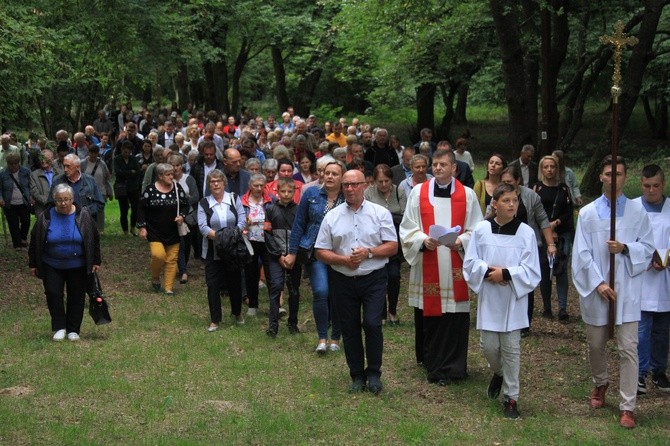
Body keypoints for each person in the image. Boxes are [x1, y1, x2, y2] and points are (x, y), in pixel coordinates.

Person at [571, 155, 654, 429]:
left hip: (627, 290)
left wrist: (626, 248)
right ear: (601, 177)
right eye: (608, 174)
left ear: (625, 177)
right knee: (596, 344)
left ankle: (627, 405)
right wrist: (599, 283)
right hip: (598, 289)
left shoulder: (637, 212)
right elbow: (581, 254)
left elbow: (648, 246)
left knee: (628, 348)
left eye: (618, 174)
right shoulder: (588, 213)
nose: (613, 178)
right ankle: (600, 381)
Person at [399, 149, 483, 385]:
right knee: (433, 317)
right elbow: (407, 227)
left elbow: (477, 229)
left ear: (454, 168)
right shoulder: (418, 192)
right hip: (429, 262)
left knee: (454, 317)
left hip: (455, 261)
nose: (437, 168)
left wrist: (461, 241)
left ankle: (455, 367)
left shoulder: (467, 195)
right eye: (434, 164)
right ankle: (433, 365)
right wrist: (422, 240)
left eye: (443, 164)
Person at [315, 169, 398, 394]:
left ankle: (374, 373)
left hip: (374, 278)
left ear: (365, 185)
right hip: (342, 278)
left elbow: (392, 245)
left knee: (372, 323)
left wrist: (368, 253)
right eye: (346, 185)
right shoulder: (332, 216)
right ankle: (356, 375)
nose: (350, 189)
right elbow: (320, 251)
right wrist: (343, 259)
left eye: (355, 184)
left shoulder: (380, 213)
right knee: (349, 328)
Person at [463, 183, 540, 418]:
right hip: (490, 296)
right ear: (494, 204)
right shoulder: (482, 230)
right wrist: (489, 272)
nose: (512, 204)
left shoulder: (526, 232)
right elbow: (470, 263)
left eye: (515, 200)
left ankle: (511, 399)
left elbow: (532, 270)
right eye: (506, 200)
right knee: (489, 348)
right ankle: (498, 373)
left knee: (511, 350)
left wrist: (506, 274)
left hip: (513, 300)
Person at [285, 159, 346, 354]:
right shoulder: (311, 194)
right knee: (320, 291)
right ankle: (322, 338)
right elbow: (299, 224)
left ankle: (336, 337)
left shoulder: (348, 197)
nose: (329, 176)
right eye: (327, 173)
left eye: (334, 174)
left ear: (342, 178)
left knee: (338, 294)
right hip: (314, 251)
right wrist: (292, 252)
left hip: (340, 253)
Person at [28, 184, 101, 341]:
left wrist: (96, 260)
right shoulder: (45, 216)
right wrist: (33, 263)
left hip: (78, 264)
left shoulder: (84, 215)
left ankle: (73, 329)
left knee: (77, 295)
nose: (63, 203)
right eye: (59, 200)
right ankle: (59, 327)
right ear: (54, 200)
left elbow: (93, 238)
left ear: (72, 199)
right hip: (52, 263)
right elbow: (35, 240)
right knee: (53, 294)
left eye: (66, 199)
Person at [500, 167, 556, 334]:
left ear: (517, 181)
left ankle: (524, 324)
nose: (505, 185)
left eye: (509, 182)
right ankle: (504, 318)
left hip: (527, 245)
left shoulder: (531, 196)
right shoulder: (499, 195)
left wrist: (550, 244)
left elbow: (543, 221)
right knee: (505, 279)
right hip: (505, 244)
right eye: (503, 182)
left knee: (525, 282)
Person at [633, 164, 670, 394]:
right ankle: (639, 373)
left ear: (663, 184)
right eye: (647, 186)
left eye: (656, 186)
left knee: (662, 329)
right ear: (641, 185)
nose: (651, 190)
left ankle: (659, 371)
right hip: (642, 277)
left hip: (665, 277)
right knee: (642, 328)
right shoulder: (634, 208)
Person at [197, 170, 247, 331]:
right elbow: (203, 227)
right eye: (212, 181)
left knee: (235, 283)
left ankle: (237, 312)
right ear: (208, 184)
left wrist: (230, 236)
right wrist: (221, 237)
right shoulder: (203, 203)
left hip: (233, 250)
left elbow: (242, 220)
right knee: (213, 285)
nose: (216, 184)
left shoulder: (234, 198)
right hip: (213, 250)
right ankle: (215, 319)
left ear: (224, 182)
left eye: (219, 181)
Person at [137, 163, 189, 295]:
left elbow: (185, 205)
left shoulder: (177, 188)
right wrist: (142, 227)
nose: (171, 177)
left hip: (173, 230)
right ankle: (155, 276)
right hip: (154, 230)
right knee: (158, 255)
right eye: (168, 174)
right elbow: (141, 209)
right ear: (160, 176)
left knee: (172, 259)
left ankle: (168, 288)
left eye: (172, 174)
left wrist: (182, 216)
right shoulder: (150, 190)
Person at [364, 164, 407, 325]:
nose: (383, 185)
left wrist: (385, 217)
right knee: (379, 277)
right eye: (379, 181)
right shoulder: (368, 193)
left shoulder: (399, 191)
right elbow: (368, 217)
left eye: (386, 181)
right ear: (374, 181)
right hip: (375, 242)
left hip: (394, 240)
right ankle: (381, 312)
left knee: (394, 276)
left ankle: (393, 310)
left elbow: (404, 215)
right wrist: (390, 216)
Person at [532, 155, 574, 320]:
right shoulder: (536, 188)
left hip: (562, 232)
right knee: (545, 269)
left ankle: (563, 308)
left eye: (552, 167)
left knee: (561, 269)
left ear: (557, 169)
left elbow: (569, 211)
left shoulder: (564, 189)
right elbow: (532, 210)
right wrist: (545, 227)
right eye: (546, 167)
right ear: (542, 169)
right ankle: (546, 307)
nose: (549, 170)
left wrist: (556, 223)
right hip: (542, 233)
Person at [264, 178, 301, 336]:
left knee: (294, 290)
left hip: (294, 256)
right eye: (283, 191)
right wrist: (278, 255)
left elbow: (301, 233)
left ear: (294, 192)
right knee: (276, 287)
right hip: (276, 256)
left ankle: (293, 322)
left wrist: (293, 254)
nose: (286, 194)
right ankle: (273, 325)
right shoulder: (271, 209)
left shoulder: (299, 210)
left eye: (289, 191)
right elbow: (267, 234)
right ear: (277, 192)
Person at [241, 173, 274, 316]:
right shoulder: (242, 200)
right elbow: (238, 219)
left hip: (267, 240)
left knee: (271, 274)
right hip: (249, 241)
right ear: (250, 186)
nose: (259, 188)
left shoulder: (270, 200)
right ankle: (253, 305)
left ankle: (275, 305)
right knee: (251, 273)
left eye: (262, 185)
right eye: (256, 185)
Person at [169, 154, 199, 285]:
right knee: (179, 243)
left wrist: (183, 201)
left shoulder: (189, 179)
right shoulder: (168, 180)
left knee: (187, 244)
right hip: (173, 216)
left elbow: (195, 196)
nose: (175, 168)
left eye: (178, 165)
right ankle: (183, 271)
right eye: (173, 166)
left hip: (188, 216)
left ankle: (182, 265)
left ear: (182, 166)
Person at [50, 154, 105, 221]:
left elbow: (100, 203)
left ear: (77, 167)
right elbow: (49, 204)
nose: (65, 169)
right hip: (63, 221)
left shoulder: (90, 181)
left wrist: (83, 212)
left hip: (86, 222)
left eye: (68, 166)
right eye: (64, 166)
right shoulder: (57, 181)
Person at [0, 153, 32, 248]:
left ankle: (23, 238)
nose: (13, 166)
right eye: (11, 164)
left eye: (15, 163)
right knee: (13, 224)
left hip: (24, 202)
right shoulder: (2, 174)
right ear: (7, 163)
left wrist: (31, 197)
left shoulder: (26, 172)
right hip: (10, 203)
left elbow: (31, 185)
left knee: (26, 221)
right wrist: (0, 198)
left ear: (19, 163)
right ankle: (17, 244)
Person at [81, 145, 113, 233]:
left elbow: (107, 178)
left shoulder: (102, 163)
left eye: (95, 153)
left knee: (100, 210)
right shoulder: (83, 163)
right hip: (87, 191)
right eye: (92, 153)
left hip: (101, 190)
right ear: (89, 153)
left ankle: (100, 229)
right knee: (88, 210)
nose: (93, 155)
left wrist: (109, 191)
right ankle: (89, 228)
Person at [114, 141, 142, 236]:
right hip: (121, 187)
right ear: (121, 150)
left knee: (135, 209)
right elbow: (118, 172)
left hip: (133, 187)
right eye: (125, 152)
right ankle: (125, 230)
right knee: (124, 209)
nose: (126, 154)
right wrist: (130, 172)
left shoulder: (133, 159)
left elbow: (138, 172)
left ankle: (133, 227)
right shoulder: (117, 159)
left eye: (128, 152)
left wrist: (126, 172)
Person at [30, 149, 56, 217]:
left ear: (52, 159)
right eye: (41, 158)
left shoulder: (59, 172)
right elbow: (34, 192)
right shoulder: (34, 175)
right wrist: (49, 202)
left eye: (46, 158)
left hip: (60, 207)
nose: (43, 161)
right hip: (42, 210)